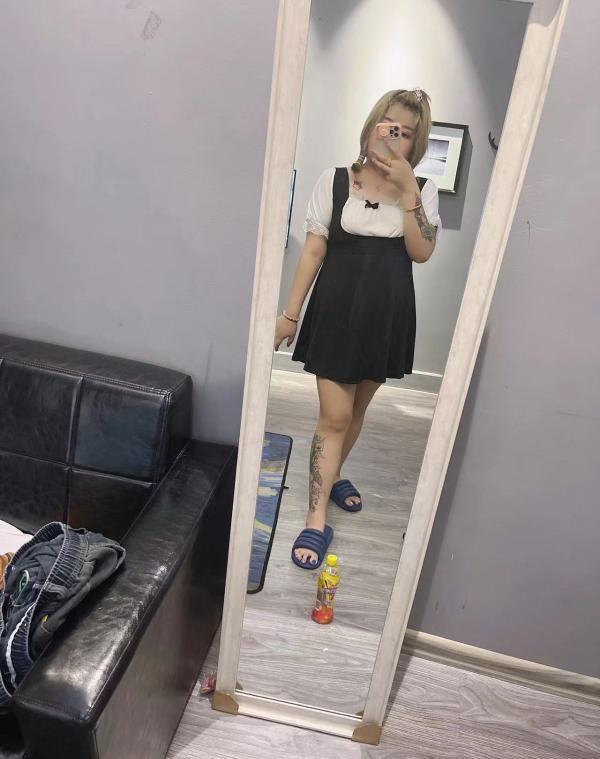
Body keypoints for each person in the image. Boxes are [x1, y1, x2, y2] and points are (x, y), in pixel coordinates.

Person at [273, 88, 441, 569]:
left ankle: (332, 475)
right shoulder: (334, 181)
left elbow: (422, 252)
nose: (393, 137)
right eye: (389, 125)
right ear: (371, 125)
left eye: (405, 133)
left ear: (416, 143)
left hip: (386, 315)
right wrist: (290, 314)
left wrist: (408, 192)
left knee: (357, 410)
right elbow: (313, 251)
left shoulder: (422, 190)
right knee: (334, 416)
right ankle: (316, 517)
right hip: (337, 310)